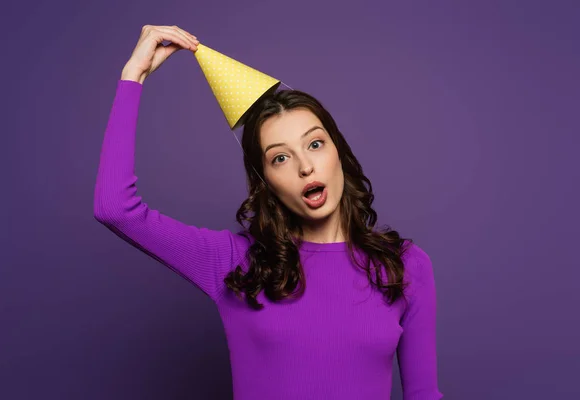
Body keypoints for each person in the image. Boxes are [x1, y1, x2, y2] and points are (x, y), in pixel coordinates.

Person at [93, 24, 443, 400]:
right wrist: (134, 76)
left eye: (315, 144)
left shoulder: (404, 266)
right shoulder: (236, 264)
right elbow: (115, 209)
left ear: (338, 151)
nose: (305, 167)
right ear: (266, 181)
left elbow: (424, 394)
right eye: (280, 157)